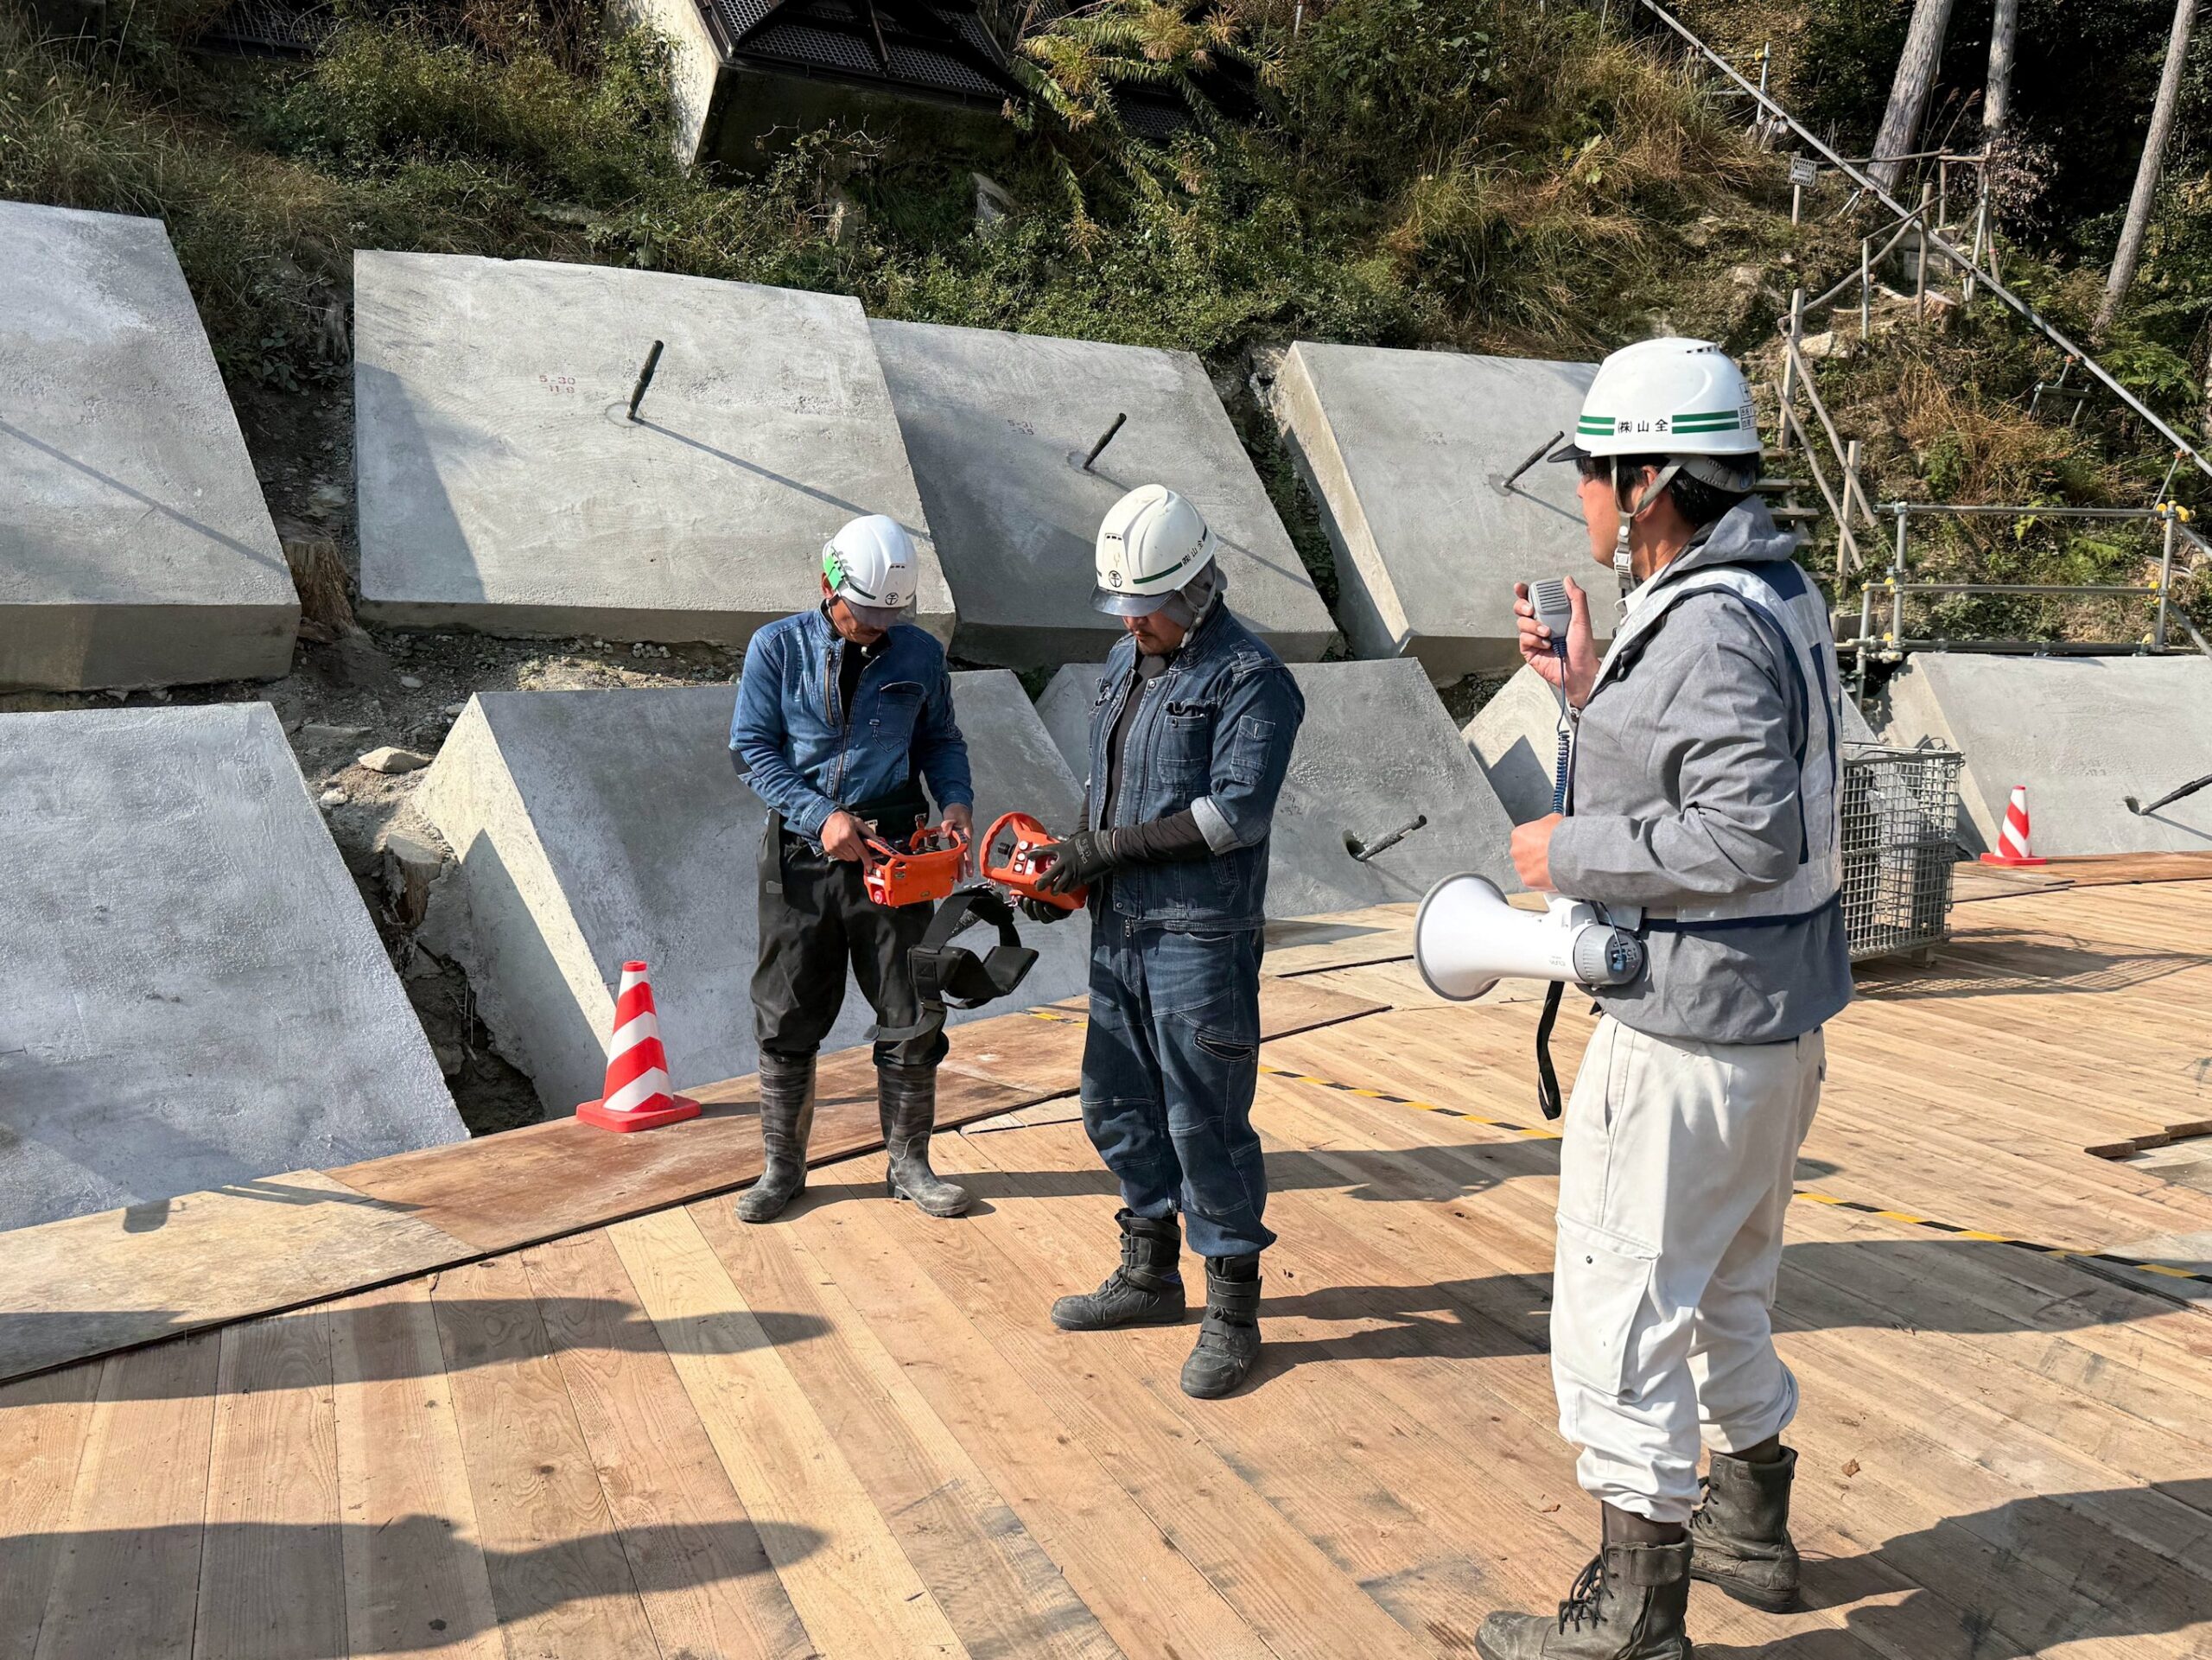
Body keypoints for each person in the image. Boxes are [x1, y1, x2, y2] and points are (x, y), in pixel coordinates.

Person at [1474, 339, 1851, 1660]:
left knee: (1622, 1309)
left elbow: (1740, 833)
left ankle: (1636, 1619)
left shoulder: (1705, 618)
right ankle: (1751, 1526)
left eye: (1588, 466)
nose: (1578, 489)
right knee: (1729, 1289)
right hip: (1771, 1031)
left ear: (1644, 479)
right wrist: (1584, 689)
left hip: (1688, 1040)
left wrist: (1560, 850)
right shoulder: (1769, 593)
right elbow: (1723, 781)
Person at [1023, 483, 1305, 1399]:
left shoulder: (1251, 680)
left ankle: (1232, 1313)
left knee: (1205, 1124)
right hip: (1119, 933)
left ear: (1195, 589)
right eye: (1125, 609)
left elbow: (1233, 816)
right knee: (1113, 1105)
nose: (1133, 623)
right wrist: (1066, 872)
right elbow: (1106, 795)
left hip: (1198, 940)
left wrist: (1100, 850)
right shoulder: (1124, 661)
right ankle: (1148, 1273)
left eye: (1147, 609)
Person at [728, 514, 976, 1224]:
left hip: (895, 857)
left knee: (911, 1008)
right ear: (828, 584)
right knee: (786, 1010)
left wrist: (955, 800)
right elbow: (751, 749)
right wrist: (820, 816)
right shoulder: (776, 649)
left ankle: (910, 1164)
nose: (872, 627)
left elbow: (941, 738)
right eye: (861, 612)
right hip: (803, 858)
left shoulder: (920, 655)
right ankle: (783, 1168)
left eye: (885, 616)